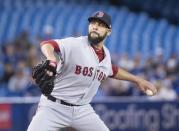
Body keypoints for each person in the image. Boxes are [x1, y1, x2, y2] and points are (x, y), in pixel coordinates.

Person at [27, 11, 158, 131]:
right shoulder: (75, 44)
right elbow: (47, 44)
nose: (95, 26)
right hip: (54, 107)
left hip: (82, 110)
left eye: (101, 25)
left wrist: (138, 80)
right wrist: (51, 58)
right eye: (93, 23)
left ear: (109, 31)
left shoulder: (106, 54)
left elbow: (112, 70)